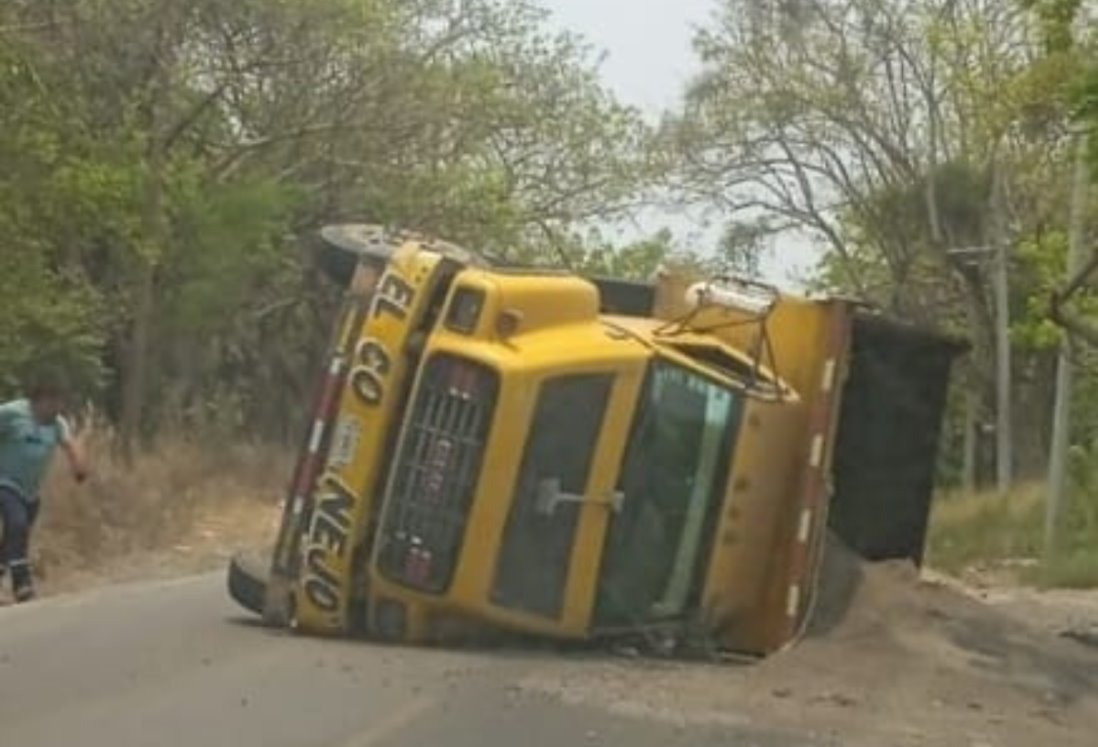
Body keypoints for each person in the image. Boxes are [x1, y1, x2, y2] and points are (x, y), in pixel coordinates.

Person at [0, 375, 88, 602]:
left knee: (16, 535)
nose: (57, 409)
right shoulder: (12, 413)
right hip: (5, 481)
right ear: (40, 400)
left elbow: (70, 445)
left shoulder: (57, 423)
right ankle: (22, 584)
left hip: (31, 490)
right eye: (54, 403)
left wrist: (78, 466)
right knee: (16, 524)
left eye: (60, 403)